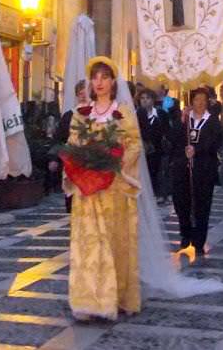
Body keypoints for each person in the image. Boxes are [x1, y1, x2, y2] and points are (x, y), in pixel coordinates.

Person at [64, 57, 142, 320]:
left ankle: (115, 297)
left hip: (114, 189)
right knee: (88, 245)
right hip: (87, 190)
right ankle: (87, 301)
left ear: (112, 82)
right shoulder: (81, 114)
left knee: (112, 243)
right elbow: (72, 144)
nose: (99, 82)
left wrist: (115, 161)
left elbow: (135, 144)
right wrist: (81, 161)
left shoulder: (123, 114)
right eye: (95, 77)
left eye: (104, 77)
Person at [170, 88, 221, 255]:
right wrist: (181, 120)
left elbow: (215, 143)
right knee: (182, 203)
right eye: (197, 99)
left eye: (203, 100)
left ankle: (199, 240)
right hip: (182, 169)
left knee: (202, 205)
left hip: (204, 169)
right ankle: (185, 233)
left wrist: (197, 150)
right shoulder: (185, 120)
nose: (199, 103)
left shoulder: (212, 121)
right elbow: (174, 138)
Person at [49, 80, 89, 212]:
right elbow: (59, 139)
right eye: (80, 93)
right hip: (72, 161)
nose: (83, 96)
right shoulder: (69, 115)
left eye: (86, 92)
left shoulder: (97, 114)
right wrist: (54, 158)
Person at [136, 89, 169, 204]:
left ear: (153, 100)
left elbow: (166, 131)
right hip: (142, 149)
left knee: (157, 172)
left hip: (158, 149)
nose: (145, 101)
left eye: (147, 98)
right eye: (142, 98)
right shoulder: (137, 114)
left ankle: (159, 193)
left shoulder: (160, 114)